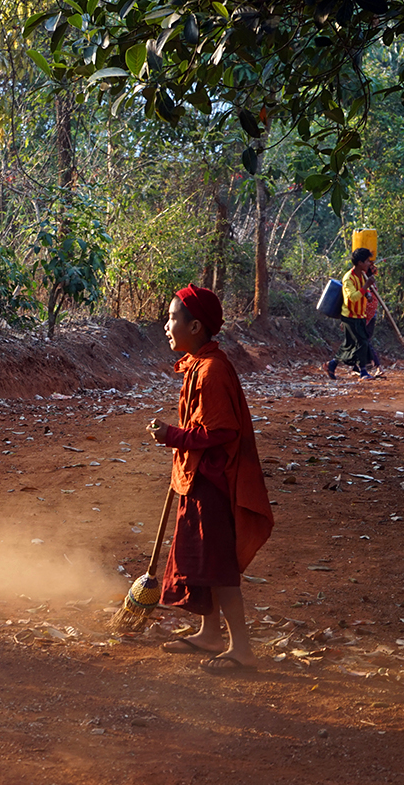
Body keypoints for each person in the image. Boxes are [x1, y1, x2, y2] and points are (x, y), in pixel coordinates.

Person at [145, 285, 273, 673]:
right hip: (198, 477)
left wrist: (173, 436)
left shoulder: (212, 370)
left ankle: (242, 648)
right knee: (202, 559)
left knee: (218, 566)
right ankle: (210, 633)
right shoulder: (199, 364)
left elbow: (221, 431)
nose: (166, 326)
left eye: (172, 318)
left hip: (213, 484)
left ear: (195, 326)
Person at [327, 248, 377, 380]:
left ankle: (332, 364)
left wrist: (368, 294)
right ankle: (363, 371)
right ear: (360, 262)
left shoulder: (363, 275)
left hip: (360, 315)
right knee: (362, 342)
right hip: (350, 316)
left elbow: (361, 293)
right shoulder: (349, 278)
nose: (368, 264)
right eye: (367, 261)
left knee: (350, 344)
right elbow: (352, 297)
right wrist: (366, 286)